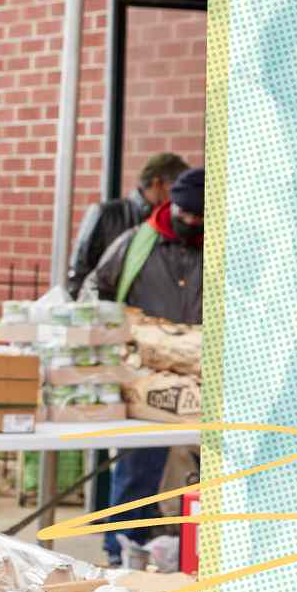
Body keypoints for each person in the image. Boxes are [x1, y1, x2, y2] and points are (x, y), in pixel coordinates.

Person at [92, 165, 204, 566]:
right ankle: (120, 548)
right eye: (185, 214)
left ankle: (180, 551)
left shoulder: (219, 245)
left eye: (199, 217)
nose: (190, 222)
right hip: (144, 378)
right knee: (138, 466)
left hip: (201, 378)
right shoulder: (137, 242)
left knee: (195, 474)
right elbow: (95, 289)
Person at [67, 152, 189, 298]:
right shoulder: (105, 213)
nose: (181, 195)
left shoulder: (176, 223)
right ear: (158, 183)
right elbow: (79, 270)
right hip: (106, 312)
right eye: (176, 188)